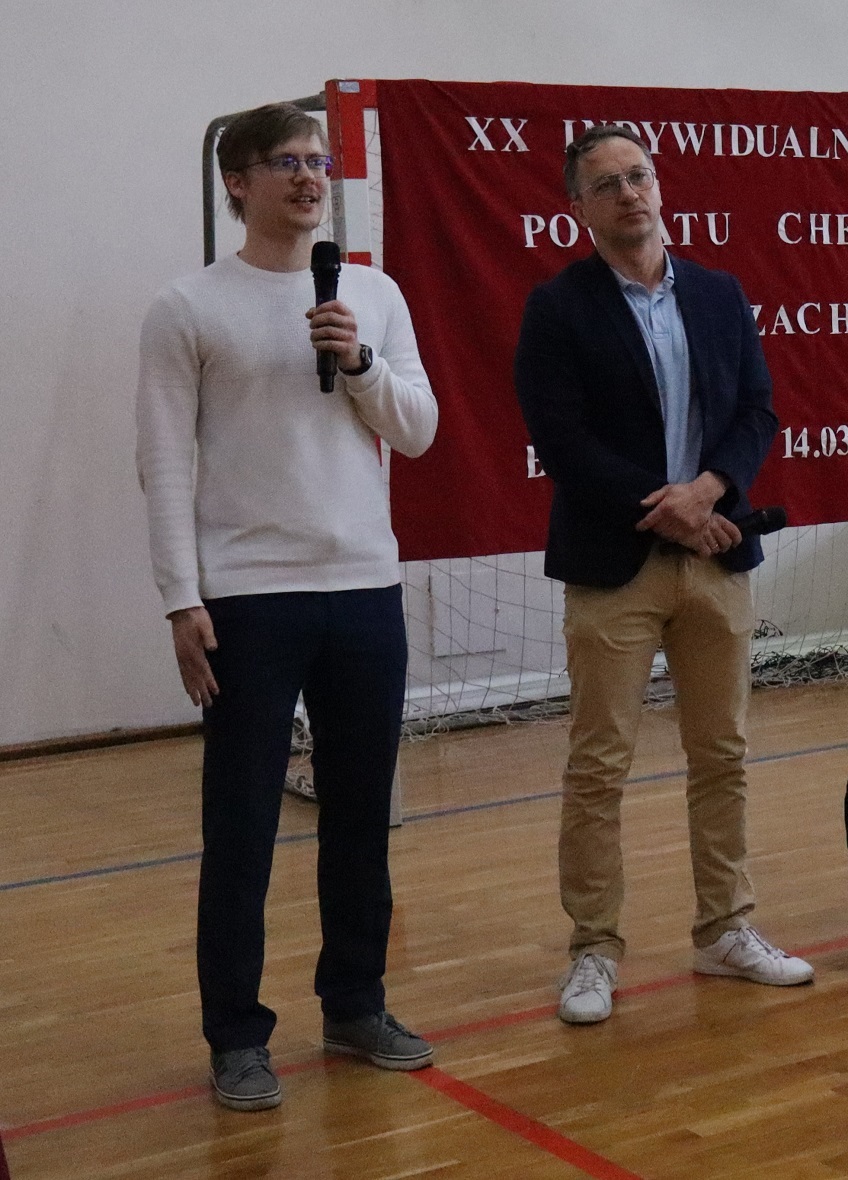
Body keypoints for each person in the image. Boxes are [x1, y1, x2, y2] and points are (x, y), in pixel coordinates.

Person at [136, 103, 438, 1110]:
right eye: (286, 162)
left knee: (360, 817)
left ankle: (355, 1002)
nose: (310, 178)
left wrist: (359, 363)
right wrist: (180, 598)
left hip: (365, 589)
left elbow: (420, 429)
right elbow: (162, 462)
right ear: (238, 182)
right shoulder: (188, 307)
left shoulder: (372, 294)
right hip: (248, 600)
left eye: (318, 161)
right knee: (242, 830)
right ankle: (236, 1036)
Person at [514, 125, 814, 1025]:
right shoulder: (557, 308)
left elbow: (757, 409)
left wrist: (711, 489)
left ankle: (725, 928)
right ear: (579, 207)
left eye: (638, 176)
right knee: (598, 766)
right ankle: (594, 949)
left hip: (716, 558)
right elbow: (561, 438)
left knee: (722, 754)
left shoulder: (718, 294)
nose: (628, 193)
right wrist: (668, 506)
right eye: (606, 184)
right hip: (616, 566)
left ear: (660, 186)